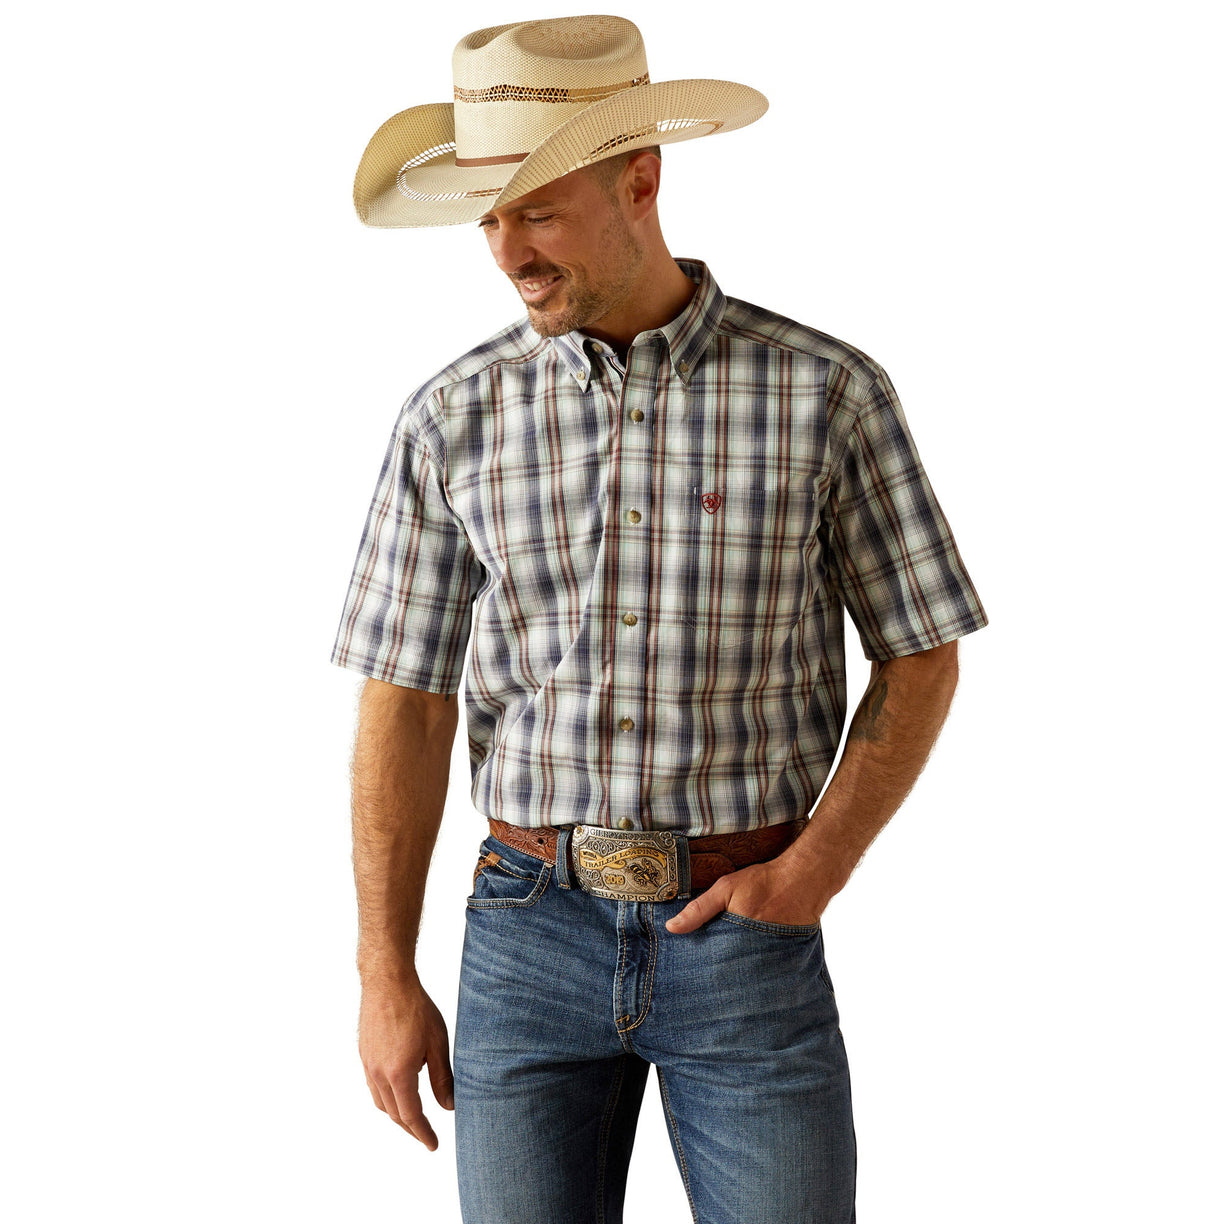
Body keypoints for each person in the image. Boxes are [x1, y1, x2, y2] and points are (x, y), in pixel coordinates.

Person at [330, 15, 989, 1224]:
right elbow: (404, 702)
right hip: (523, 937)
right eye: (486, 217)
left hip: (742, 938)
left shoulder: (826, 394)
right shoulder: (450, 420)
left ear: (641, 180)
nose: (506, 251)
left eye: (535, 209)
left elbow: (921, 651)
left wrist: (816, 870)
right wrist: (384, 970)